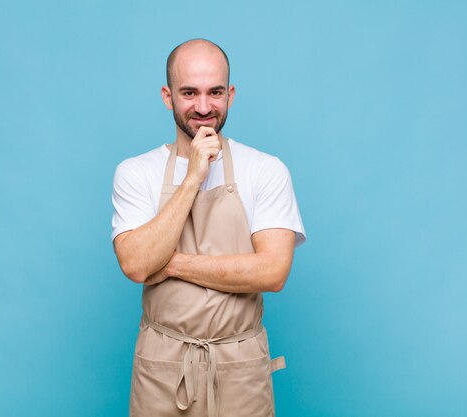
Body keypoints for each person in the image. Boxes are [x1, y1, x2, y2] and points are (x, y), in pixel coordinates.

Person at [111, 38, 306, 417]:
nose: (203, 107)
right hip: (163, 368)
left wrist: (171, 263)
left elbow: (273, 271)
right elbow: (136, 265)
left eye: (215, 92)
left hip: (240, 367)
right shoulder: (135, 173)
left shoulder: (265, 170)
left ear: (230, 94)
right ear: (168, 97)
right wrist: (193, 177)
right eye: (189, 93)